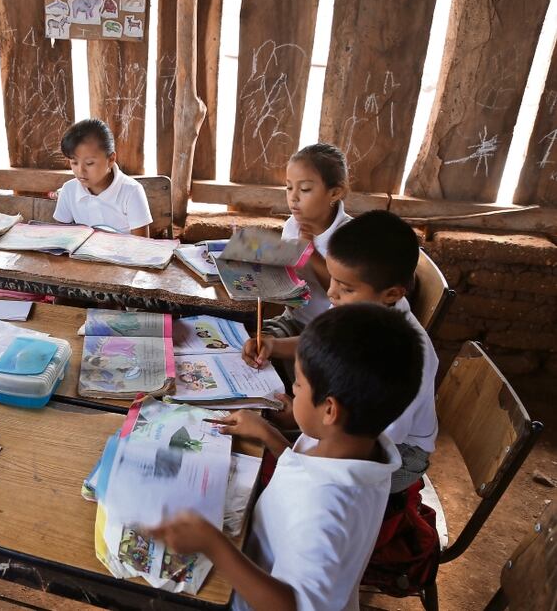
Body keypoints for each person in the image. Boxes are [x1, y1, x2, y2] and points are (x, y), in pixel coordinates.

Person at [144, 304, 424, 611]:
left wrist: (214, 545)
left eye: (299, 384)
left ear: (330, 410)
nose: (293, 389)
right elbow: (306, 469)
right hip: (260, 556)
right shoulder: (358, 444)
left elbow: (293, 606)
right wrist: (270, 435)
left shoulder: (325, 511)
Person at [243, 210, 438, 492]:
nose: (331, 293)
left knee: (275, 469)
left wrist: (287, 430)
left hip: (396, 452)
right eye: (332, 279)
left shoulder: (403, 354)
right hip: (351, 419)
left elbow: (367, 443)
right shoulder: (363, 310)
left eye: (345, 288)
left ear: (392, 294)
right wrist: (274, 346)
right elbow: (323, 341)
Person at [261, 143, 352, 339]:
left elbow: (344, 292)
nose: (293, 197)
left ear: (334, 193)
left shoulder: (349, 236)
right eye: (289, 187)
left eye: (305, 189)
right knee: (252, 340)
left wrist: (310, 252)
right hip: (293, 319)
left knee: (276, 350)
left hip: (330, 331)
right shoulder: (292, 225)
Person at [52, 119, 152, 236]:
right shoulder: (69, 190)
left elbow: (142, 243)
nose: (80, 171)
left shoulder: (131, 191)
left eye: (89, 163)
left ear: (111, 159)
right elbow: (61, 237)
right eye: (74, 163)